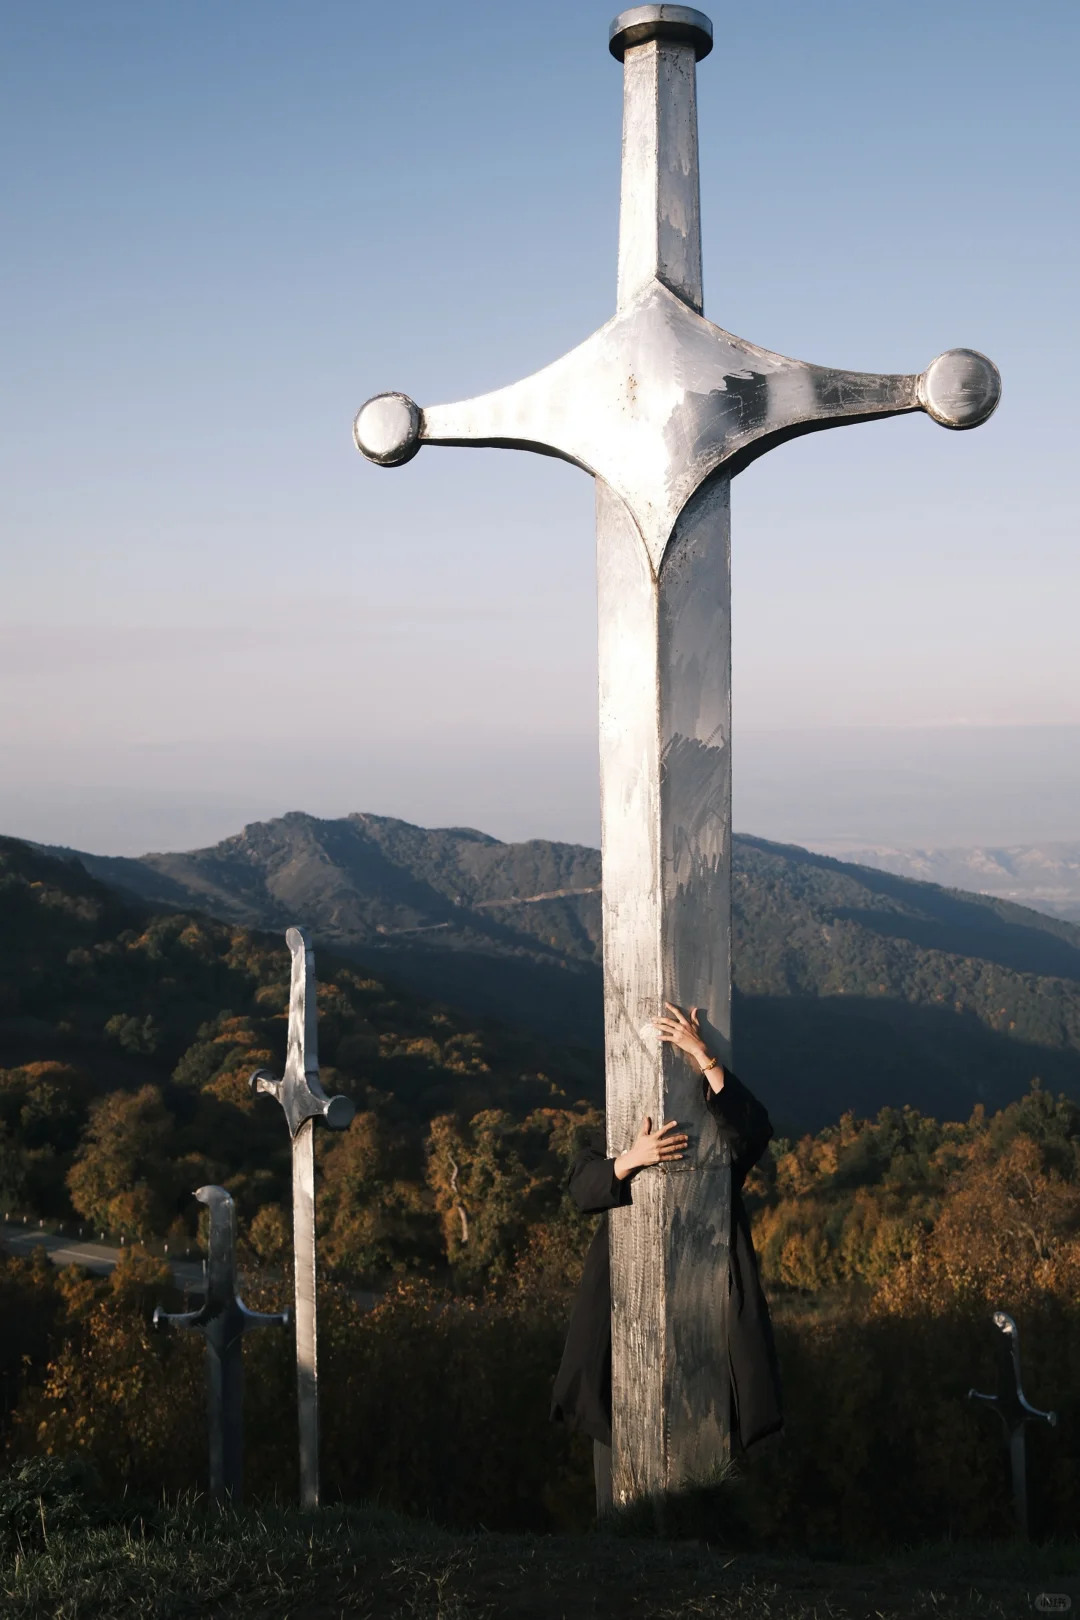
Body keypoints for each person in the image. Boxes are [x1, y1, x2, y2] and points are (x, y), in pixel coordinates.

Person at [549, 1003, 783, 1511]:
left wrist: (704, 1056)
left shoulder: (716, 1144)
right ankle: (623, 1544)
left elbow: (755, 1130)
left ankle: (702, 1546)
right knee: (617, 1436)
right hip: (624, 1309)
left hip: (706, 1301)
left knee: (709, 1435)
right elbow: (582, 1189)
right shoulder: (612, 1131)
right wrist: (632, 1159)